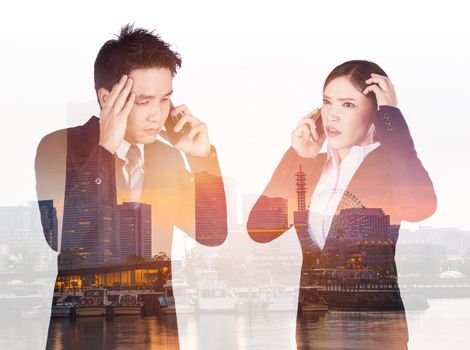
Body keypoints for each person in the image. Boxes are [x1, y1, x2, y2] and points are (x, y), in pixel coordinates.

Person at [35, 24, 227, 348]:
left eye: (165, 100)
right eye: (143, 101)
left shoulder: (166, 158)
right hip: (85, 333)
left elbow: (211, 232)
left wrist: (201, 157)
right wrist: (105, 152)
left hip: (157, 330)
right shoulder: (58, 147)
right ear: (107, 98)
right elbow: (63, 238)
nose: (157, 115)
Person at [247, 60, 436, 349]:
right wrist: (299, 155)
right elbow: (261, 229)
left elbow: (420, 206)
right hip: (314, 333)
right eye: (327, 102)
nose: (331, 115)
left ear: (374, 112)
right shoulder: (312, 167)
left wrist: (392, 117)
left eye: (347, 104)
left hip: (375, 334)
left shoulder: (390, 166)